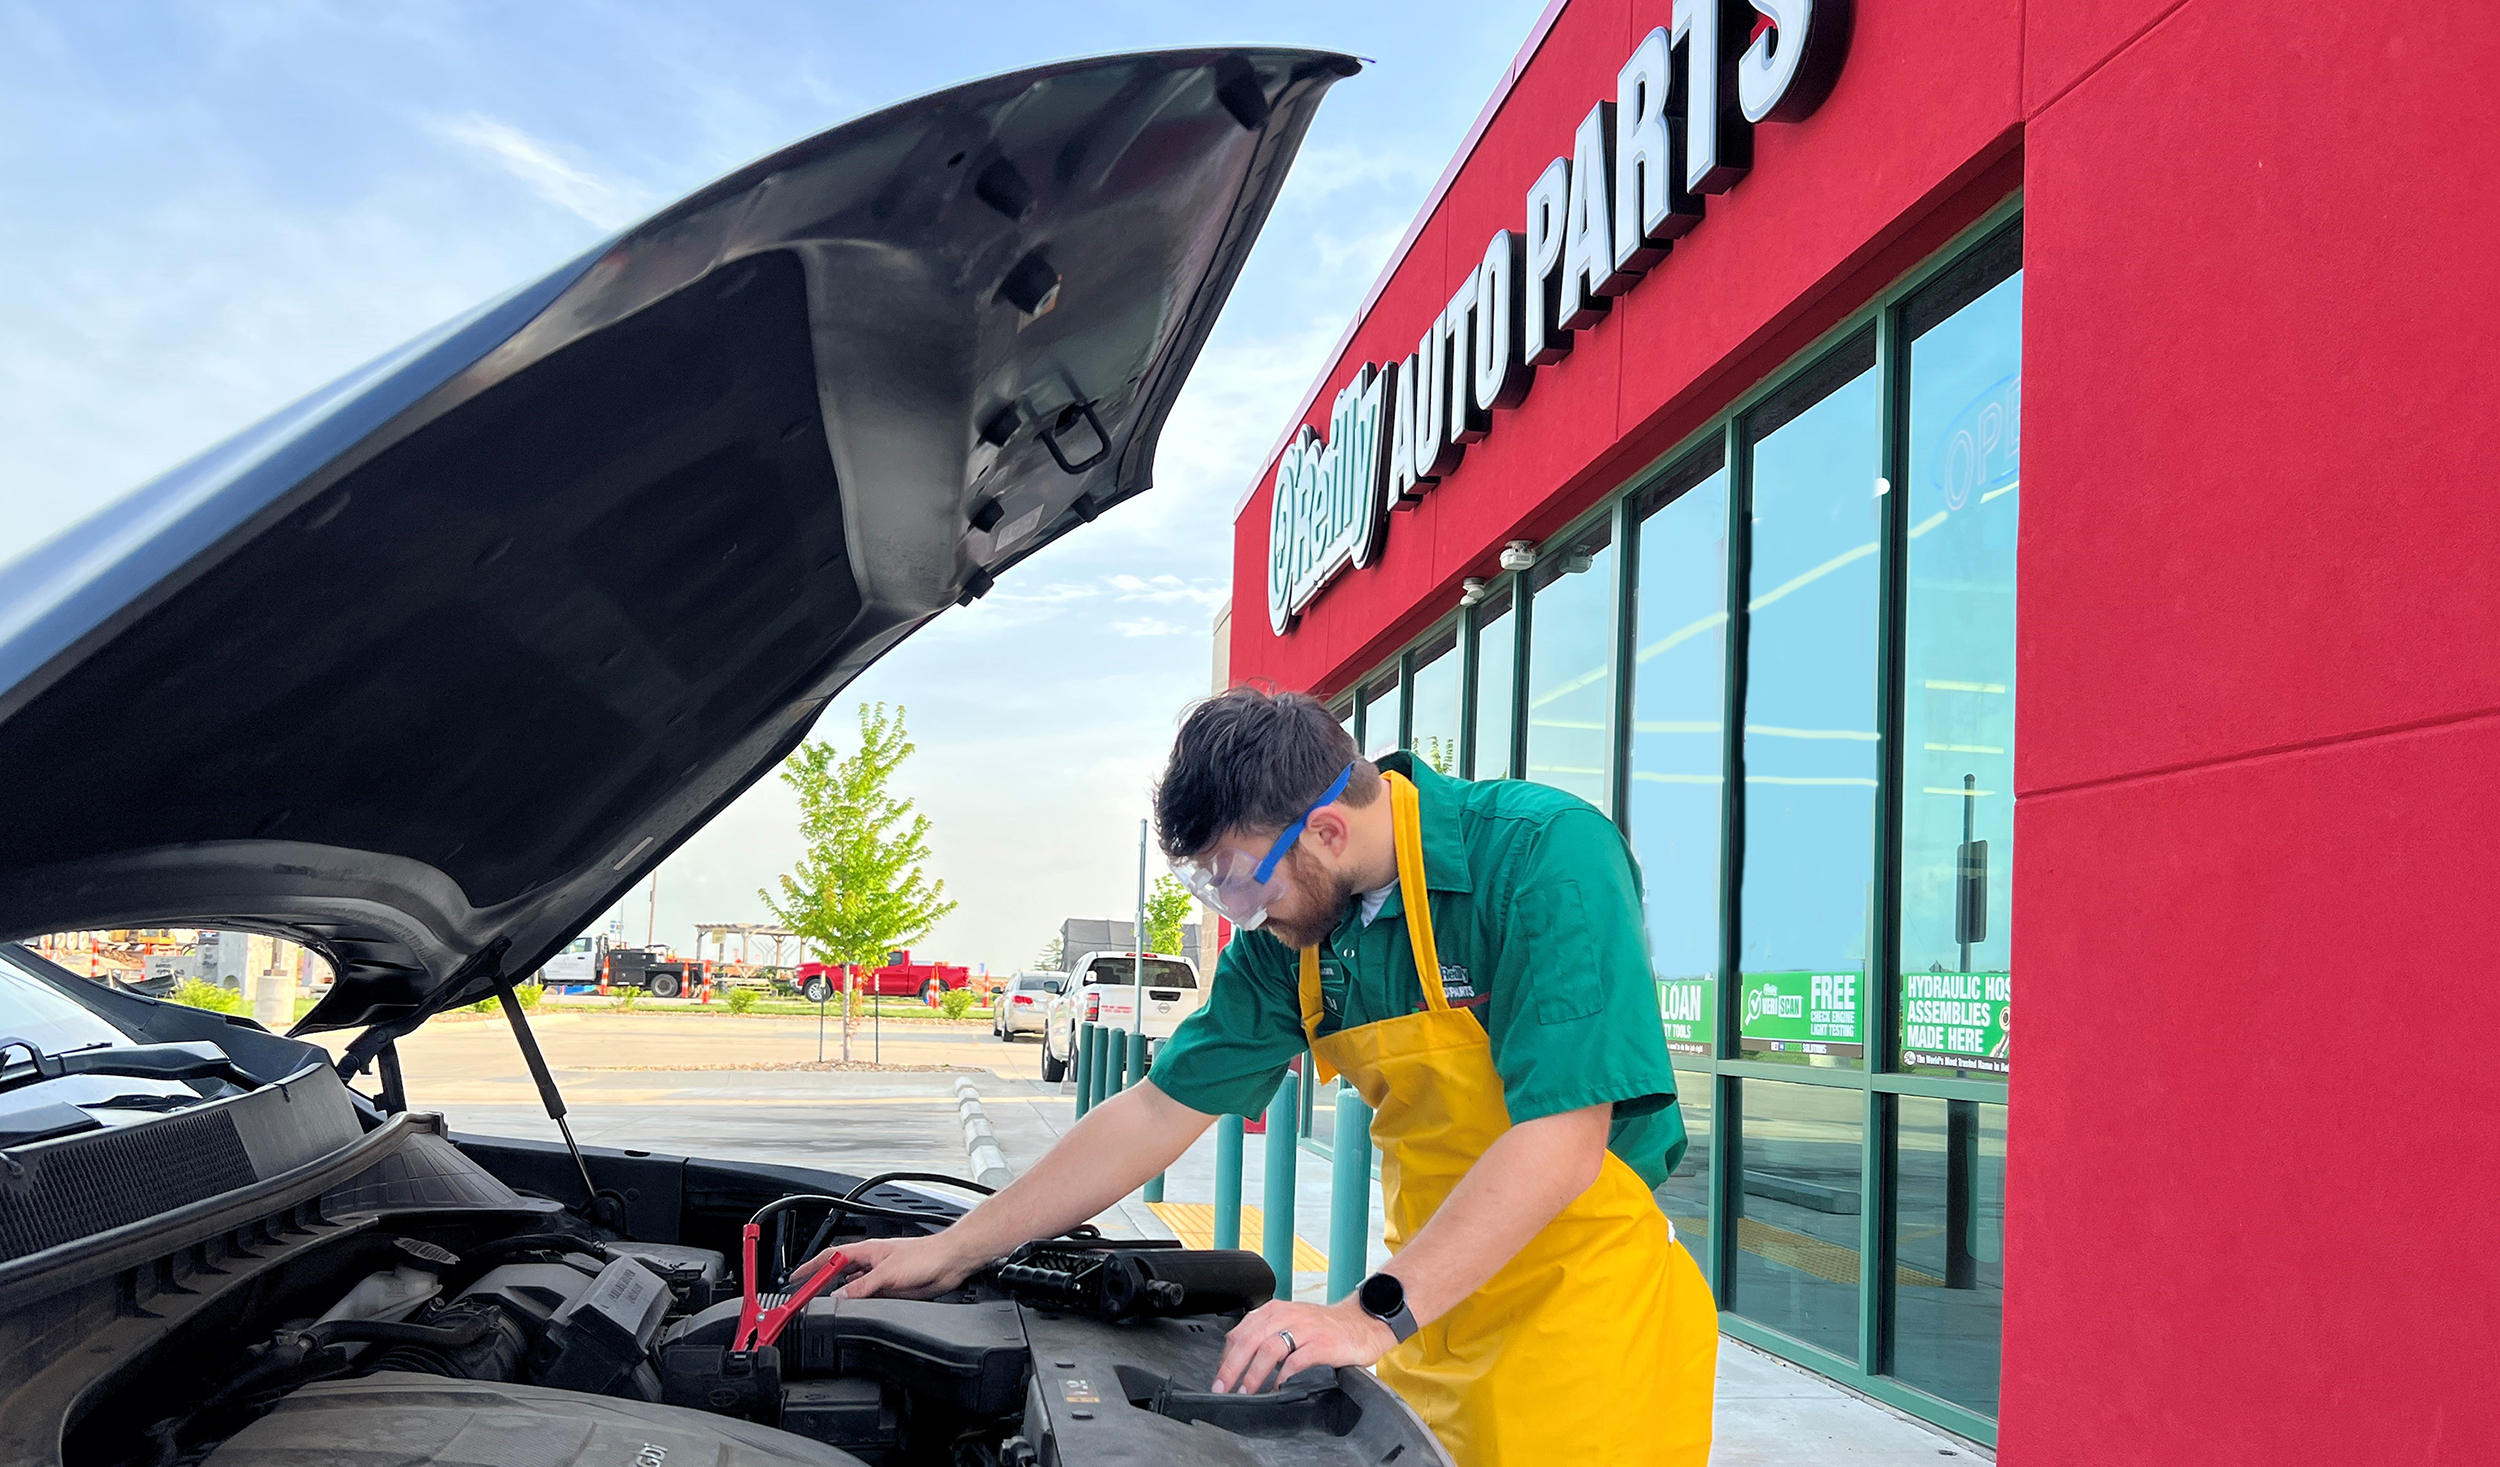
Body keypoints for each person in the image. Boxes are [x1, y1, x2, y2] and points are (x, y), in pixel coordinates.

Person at [803, 686, 1716, 1465]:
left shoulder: (1542, 857)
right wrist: (956, 1247)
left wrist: (1365, 1316)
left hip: (1590, 1331)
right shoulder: (1298, 938)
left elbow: (1560, 1140)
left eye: (1241, 880)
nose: (1239, 911)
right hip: (1433, 1317)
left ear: (1325, 826)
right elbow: (1159, 1108)